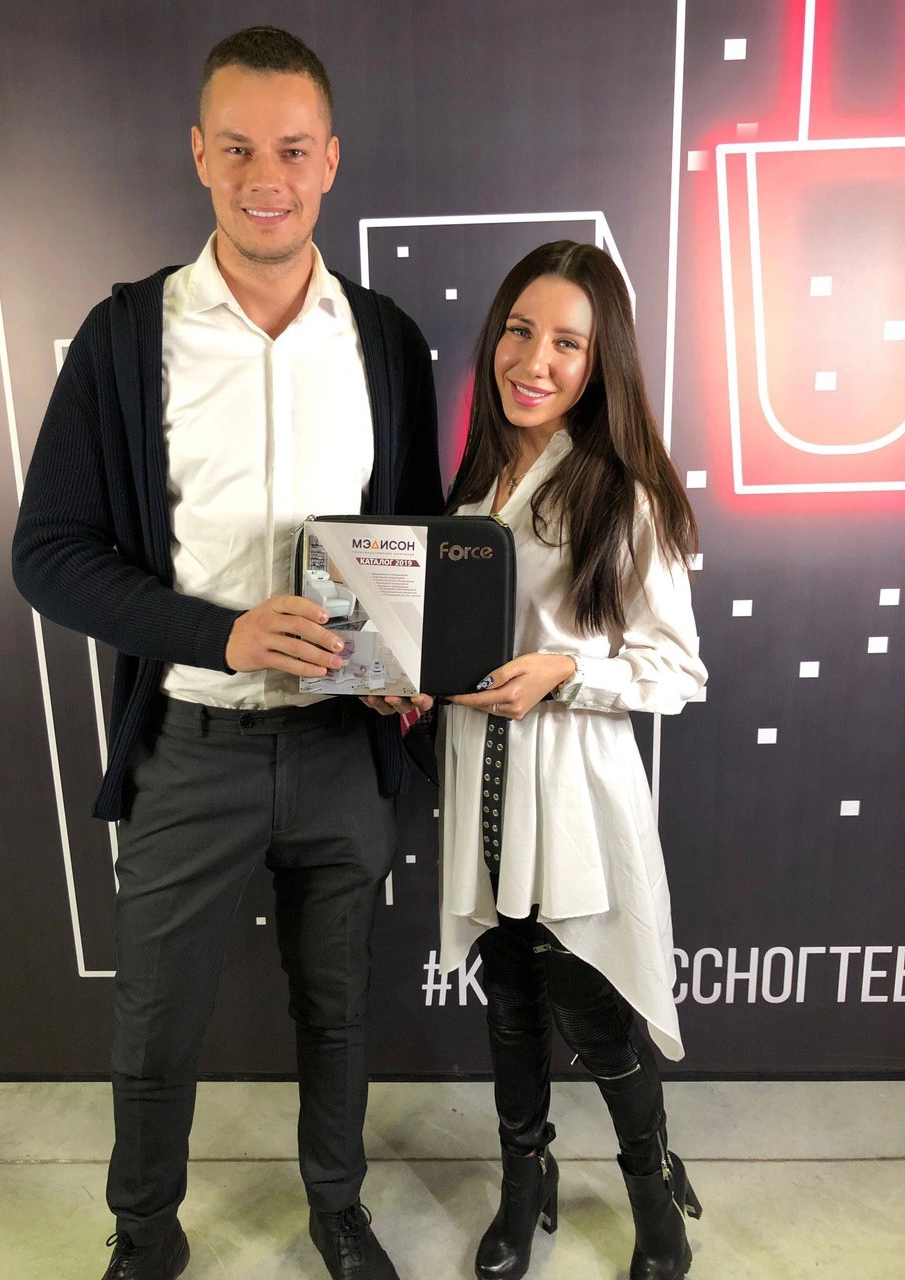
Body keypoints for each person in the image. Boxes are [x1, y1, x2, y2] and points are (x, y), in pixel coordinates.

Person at [12, 26, 442, 1280]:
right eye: (241, 147)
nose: (268, 176)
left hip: (341, 746)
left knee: (340, 1009)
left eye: (293, 150)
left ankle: (338, 1210)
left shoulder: (386, 341)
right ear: (200, 154)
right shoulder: (125, 336)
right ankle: (146, 1233)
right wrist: (222, 630)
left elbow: (416, 541)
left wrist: (408, 660)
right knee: (155, 1025)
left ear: (331, 162)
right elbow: (48, 553)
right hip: (190, 743)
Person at [368, 240, 707, 1280]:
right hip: (481, 795)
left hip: (571, 805)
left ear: (602, 364)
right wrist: (408, 682)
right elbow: (451, 644)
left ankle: (652, 1191)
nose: (535, 359)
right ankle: (527, 1179)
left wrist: (566, 672)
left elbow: (677, 669)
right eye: (521, 330)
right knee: (509, 1009)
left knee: (596, 1019)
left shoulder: (624, 494)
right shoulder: (472, 487)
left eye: (568, 342)